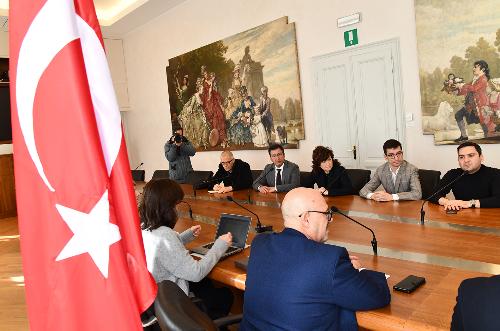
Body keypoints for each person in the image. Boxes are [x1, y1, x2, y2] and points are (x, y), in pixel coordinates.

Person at [240, 188, 391, 331]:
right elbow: (378, 296)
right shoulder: (330, 259)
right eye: (326, 213)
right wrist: (358, 270)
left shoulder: (260, 243)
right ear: (306, 219)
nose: (330, 219)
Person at [140, 179, 233, 319]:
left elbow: (163, 251)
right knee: (225, 294)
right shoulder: (165, 235)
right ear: (167, 207)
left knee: (207, 284)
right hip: (176, 305)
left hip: (157, 301)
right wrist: (219, 246)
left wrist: (185, 236)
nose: (178, 209)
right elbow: (196, 273)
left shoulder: (144, 228)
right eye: (177, 204)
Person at [430, 142, 500, 210]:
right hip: (461, 216)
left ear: (481, 157)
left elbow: (498, 199)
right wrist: (448, 202)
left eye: (471, 155)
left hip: (488, 217)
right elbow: (433, 195)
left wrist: (469, 203)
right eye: (461, 157)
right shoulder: (453, 174)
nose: (466, 160)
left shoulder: (495, 173)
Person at [453, 60, 496, 141]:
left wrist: (462, 85)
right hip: (471, 105)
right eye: (474, 67)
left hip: (480, 106)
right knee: (458, 115)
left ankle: (490, 138)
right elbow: (466, 89)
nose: (473, 69)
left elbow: (474, 89)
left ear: (482, 69)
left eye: (476, 67)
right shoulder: (475, 79)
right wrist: (456, 90)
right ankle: (464, 135)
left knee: (484, 124)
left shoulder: (483, 79)